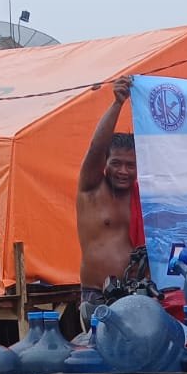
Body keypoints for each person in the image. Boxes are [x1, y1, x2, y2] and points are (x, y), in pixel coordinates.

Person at [76, 75, 143, 322]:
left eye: (130, 165)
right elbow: (96, 147)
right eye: (116, 163)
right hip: (98, 297)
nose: (123, 171)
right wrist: (117, 104)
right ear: (105, 163)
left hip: (139, 296)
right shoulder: (91, 189)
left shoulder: (144, 195)